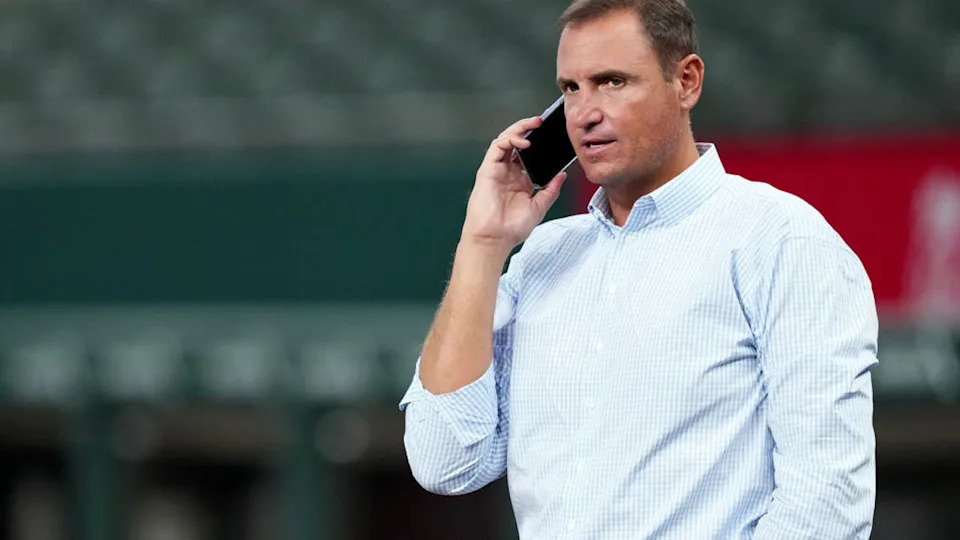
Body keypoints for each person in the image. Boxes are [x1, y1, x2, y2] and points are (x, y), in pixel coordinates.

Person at [399, 0, 879, 538]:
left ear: (687, 81)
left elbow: (827, 500)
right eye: (571, 88)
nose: (584, 113)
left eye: (612, 82)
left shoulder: (779, 239)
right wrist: (482, 245)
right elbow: (444, 461)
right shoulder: (541, 257)